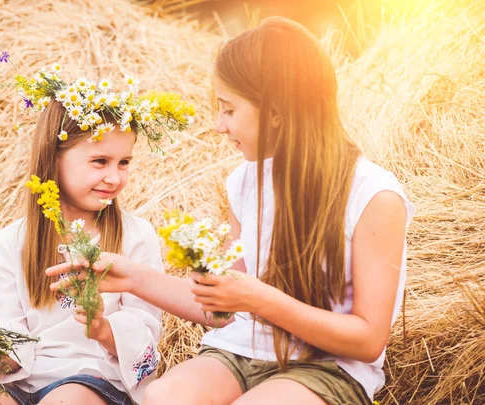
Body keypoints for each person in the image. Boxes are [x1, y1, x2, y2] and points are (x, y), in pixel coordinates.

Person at [47, 16, 416, 405]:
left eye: (228, 109)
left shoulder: (375, 196)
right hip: (240, 351)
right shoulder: (244, 181)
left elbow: (368, 339)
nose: (218, 125)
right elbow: (221, 309)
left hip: (329, 366)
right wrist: (133, 276)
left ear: (275, 111)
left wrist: (259, 300)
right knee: (162, 397)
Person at [0, 67, 194, 405]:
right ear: (53, 158)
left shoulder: (136, 235)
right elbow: (12, 333)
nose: (114, 177)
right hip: (24, 377)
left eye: (124, 162)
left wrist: (103, 330)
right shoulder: (13, 240)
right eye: (100, 161)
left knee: (66, 399)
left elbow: (145, 327)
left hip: (95, 376)